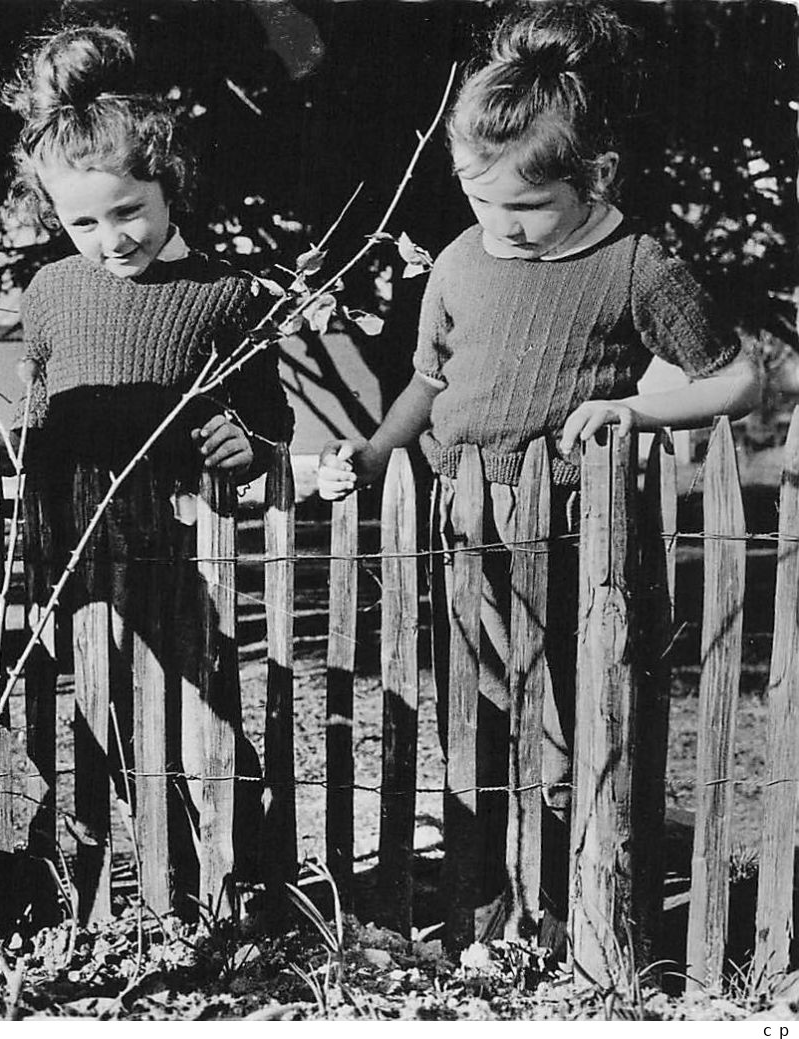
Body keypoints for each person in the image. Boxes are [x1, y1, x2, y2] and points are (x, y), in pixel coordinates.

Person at [316, 1, 758, 938]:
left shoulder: (637, 265)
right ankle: (492, 901)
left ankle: (587, 896)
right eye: (478, 201)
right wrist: (375, 452)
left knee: (573, 725)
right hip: (463, 535)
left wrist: (633, 408)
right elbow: (427, 384)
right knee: (476, 721)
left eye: (523, 207)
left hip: (575, 543)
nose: (498, 227)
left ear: (593, 177)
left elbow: (738, 380)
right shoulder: (456, 262)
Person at [0, 22, 294, 906]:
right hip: (75, 551)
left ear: (168, 183)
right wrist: (8, 449)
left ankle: (248, 879)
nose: (110, 237)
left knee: (203, 720)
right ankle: (145, 881)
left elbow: (269, 420)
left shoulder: (224, 292)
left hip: (184, 550)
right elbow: (43, 410)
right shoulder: (49, 292)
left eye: (128, 211)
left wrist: (250, 443)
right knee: (103, 719)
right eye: (82, 220)